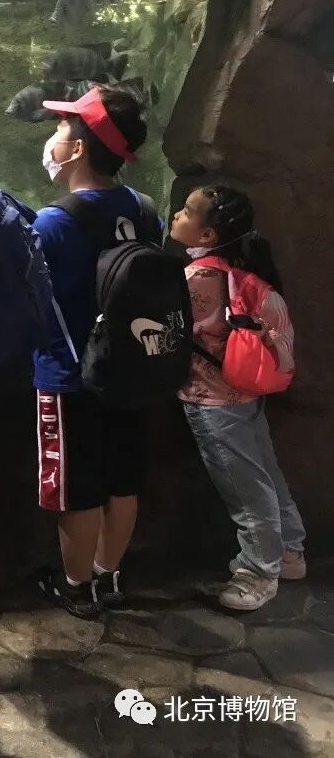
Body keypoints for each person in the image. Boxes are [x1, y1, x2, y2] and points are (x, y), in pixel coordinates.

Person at [31, 87, 161, 619]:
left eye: (62, 130)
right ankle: (110, 575)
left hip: (70, 377)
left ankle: (76, 586)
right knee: (122, 479)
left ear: (80, 149)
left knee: (77, 490)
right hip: (133, 370)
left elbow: (31, 300)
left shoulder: (54, 222)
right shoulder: (144, 210)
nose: (53, 139)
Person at [170, 185, 305, 611]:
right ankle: (289, 551)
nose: (176, 215)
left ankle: (259, 573)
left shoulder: (197, 278)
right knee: (266, 474)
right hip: (246, 392)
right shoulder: (237, 273)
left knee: (246, 490)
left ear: (207, 235)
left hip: (211, 400)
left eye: (186, 211)